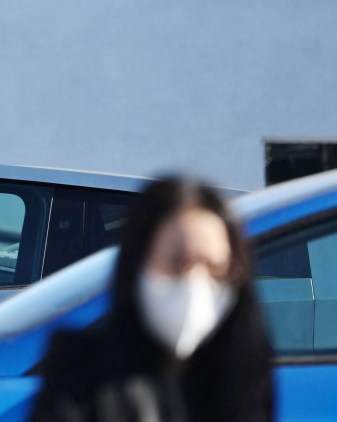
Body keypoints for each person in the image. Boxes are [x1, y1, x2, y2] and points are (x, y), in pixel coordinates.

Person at [30, 176, 274, 422]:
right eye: (177, 263)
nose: (195, 285)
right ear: (137, 264)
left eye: (215, 267)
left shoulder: (245, 372)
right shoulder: (81, 373)